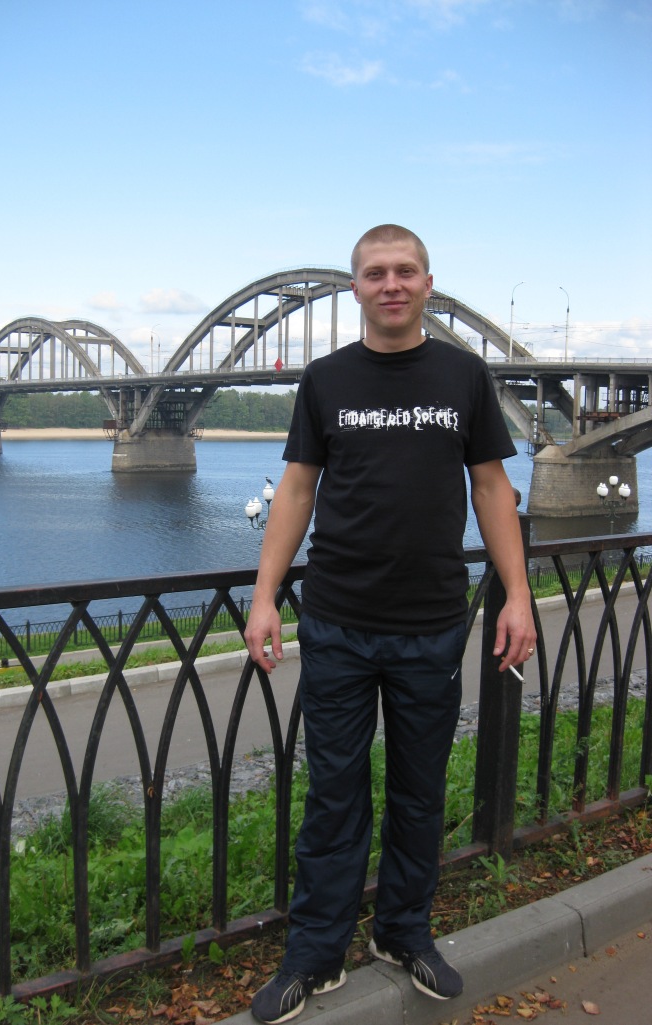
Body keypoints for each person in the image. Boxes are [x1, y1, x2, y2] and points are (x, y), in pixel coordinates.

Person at [245, 224, 537, 1025]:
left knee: (418, 792)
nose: (392, 284)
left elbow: (491, 487)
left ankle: (403, 933)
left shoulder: (464, 375)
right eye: (375, 273)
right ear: (356, 289)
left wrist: (517, 594)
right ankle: (315, 954)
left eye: (405, 271)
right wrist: (266, 595)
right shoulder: (326, 378)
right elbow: (296, 488)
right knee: (334, 796)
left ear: (428, 284)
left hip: (431, 623)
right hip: (337, 620)